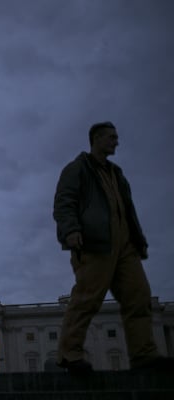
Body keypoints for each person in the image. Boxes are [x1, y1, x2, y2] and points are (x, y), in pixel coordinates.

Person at [53, 121, 174, 374]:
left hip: (124, 243)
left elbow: (125, 209)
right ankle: (69, 354)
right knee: (87, 298)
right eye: (111, 137)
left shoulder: (117, 174)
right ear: (96, 139)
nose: (116, 141)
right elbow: (64, 202)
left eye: (116, 137)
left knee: (139, 296)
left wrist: (136, 240)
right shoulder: (77, 169)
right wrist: (71, 230)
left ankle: (144, 354)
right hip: (95, 242)